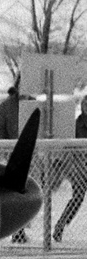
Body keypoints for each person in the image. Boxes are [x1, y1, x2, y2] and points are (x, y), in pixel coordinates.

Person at [52, 97, 87, 243]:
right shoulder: (77, 124)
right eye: (85, 105)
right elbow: (69, 147)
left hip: (80, 164)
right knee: (78, 197)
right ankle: (60, 226)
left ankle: (60, 226)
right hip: (79, 166)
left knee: (78, 196)